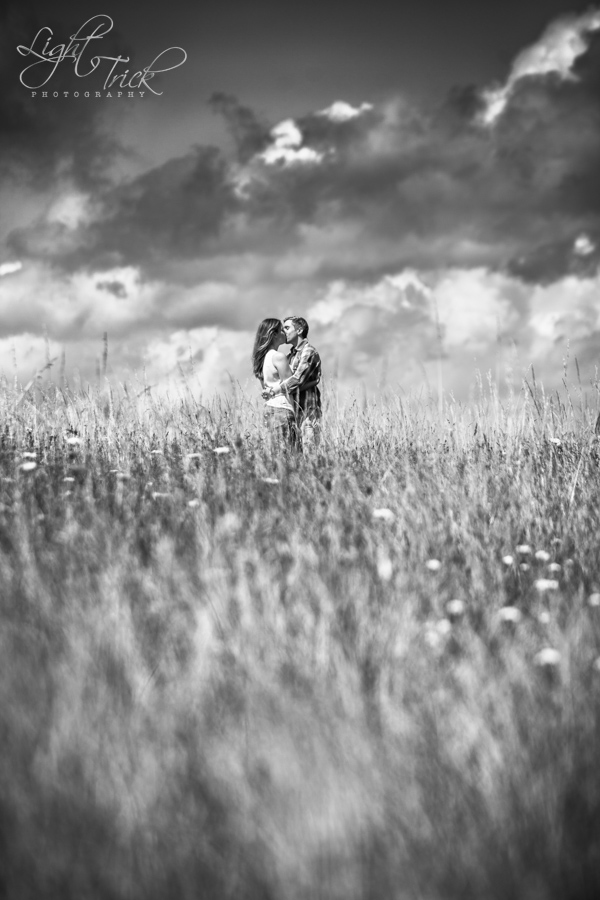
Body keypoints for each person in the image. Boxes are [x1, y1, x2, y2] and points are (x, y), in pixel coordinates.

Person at [263, 315, 322, 447]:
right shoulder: (291, 355)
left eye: (287, 328)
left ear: (299, 330)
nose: (284, 332)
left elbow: (296, 380)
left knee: (310, 452)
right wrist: (312, 383)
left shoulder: (308, 351)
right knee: (296, 455)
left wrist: (275, 390)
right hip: (293, 410)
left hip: (307, 411)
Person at [252, 318, 297, 448]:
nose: (284, 332)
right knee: (290, 456)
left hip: (269, 408)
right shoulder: (279, 357)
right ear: (274, 334)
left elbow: (266, 389)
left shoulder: (261, 359)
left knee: (276, 455)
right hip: (282, 408)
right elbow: (290, 388)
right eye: (282, 330)